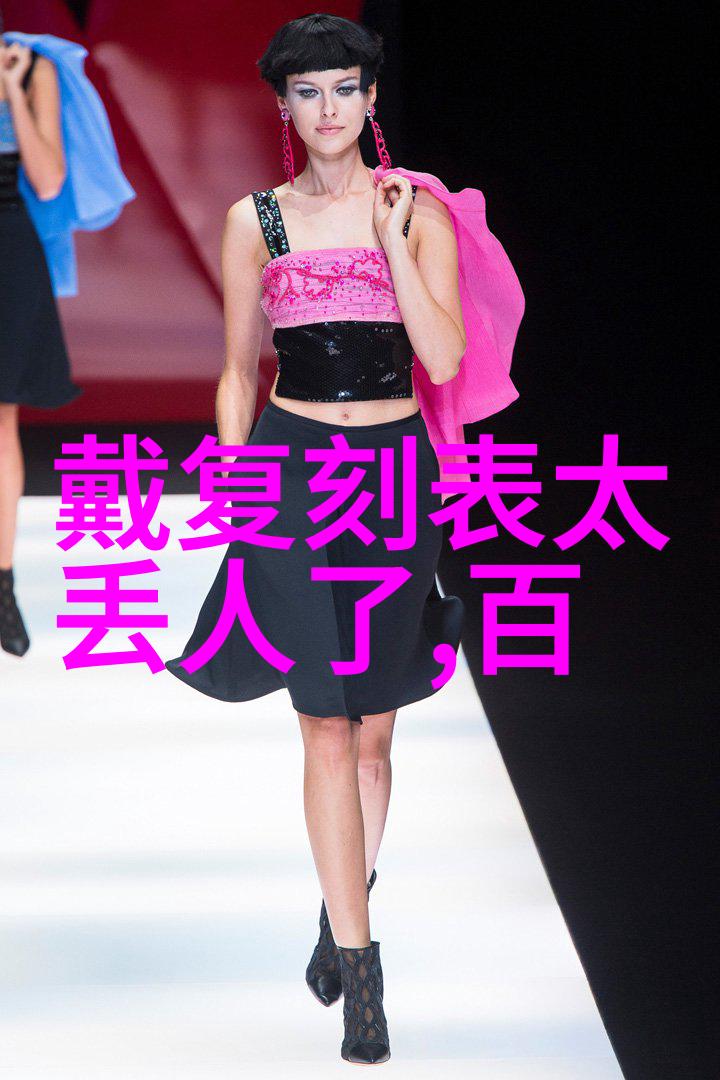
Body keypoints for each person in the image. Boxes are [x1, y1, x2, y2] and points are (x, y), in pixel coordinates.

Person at [165, 13, 524, 1065]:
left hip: (395, 475)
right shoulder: (257, 222)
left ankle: (341, 905)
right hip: (291, 474)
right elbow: (237, 368)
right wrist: (235, 477)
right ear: (284, 105)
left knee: (374, 735)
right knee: (323, 721)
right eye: (309, 90)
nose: (329, 108)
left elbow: (444, 356)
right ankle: (366, 984)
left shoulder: (417, 212)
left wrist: (393, 241)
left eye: (345, 88)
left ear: (371, 99)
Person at [0, 21, 134, 657]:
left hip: (6, 248)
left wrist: (13, 91)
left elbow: (50, 179)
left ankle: (3, 585)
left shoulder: (32, 64)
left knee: (0, 420)